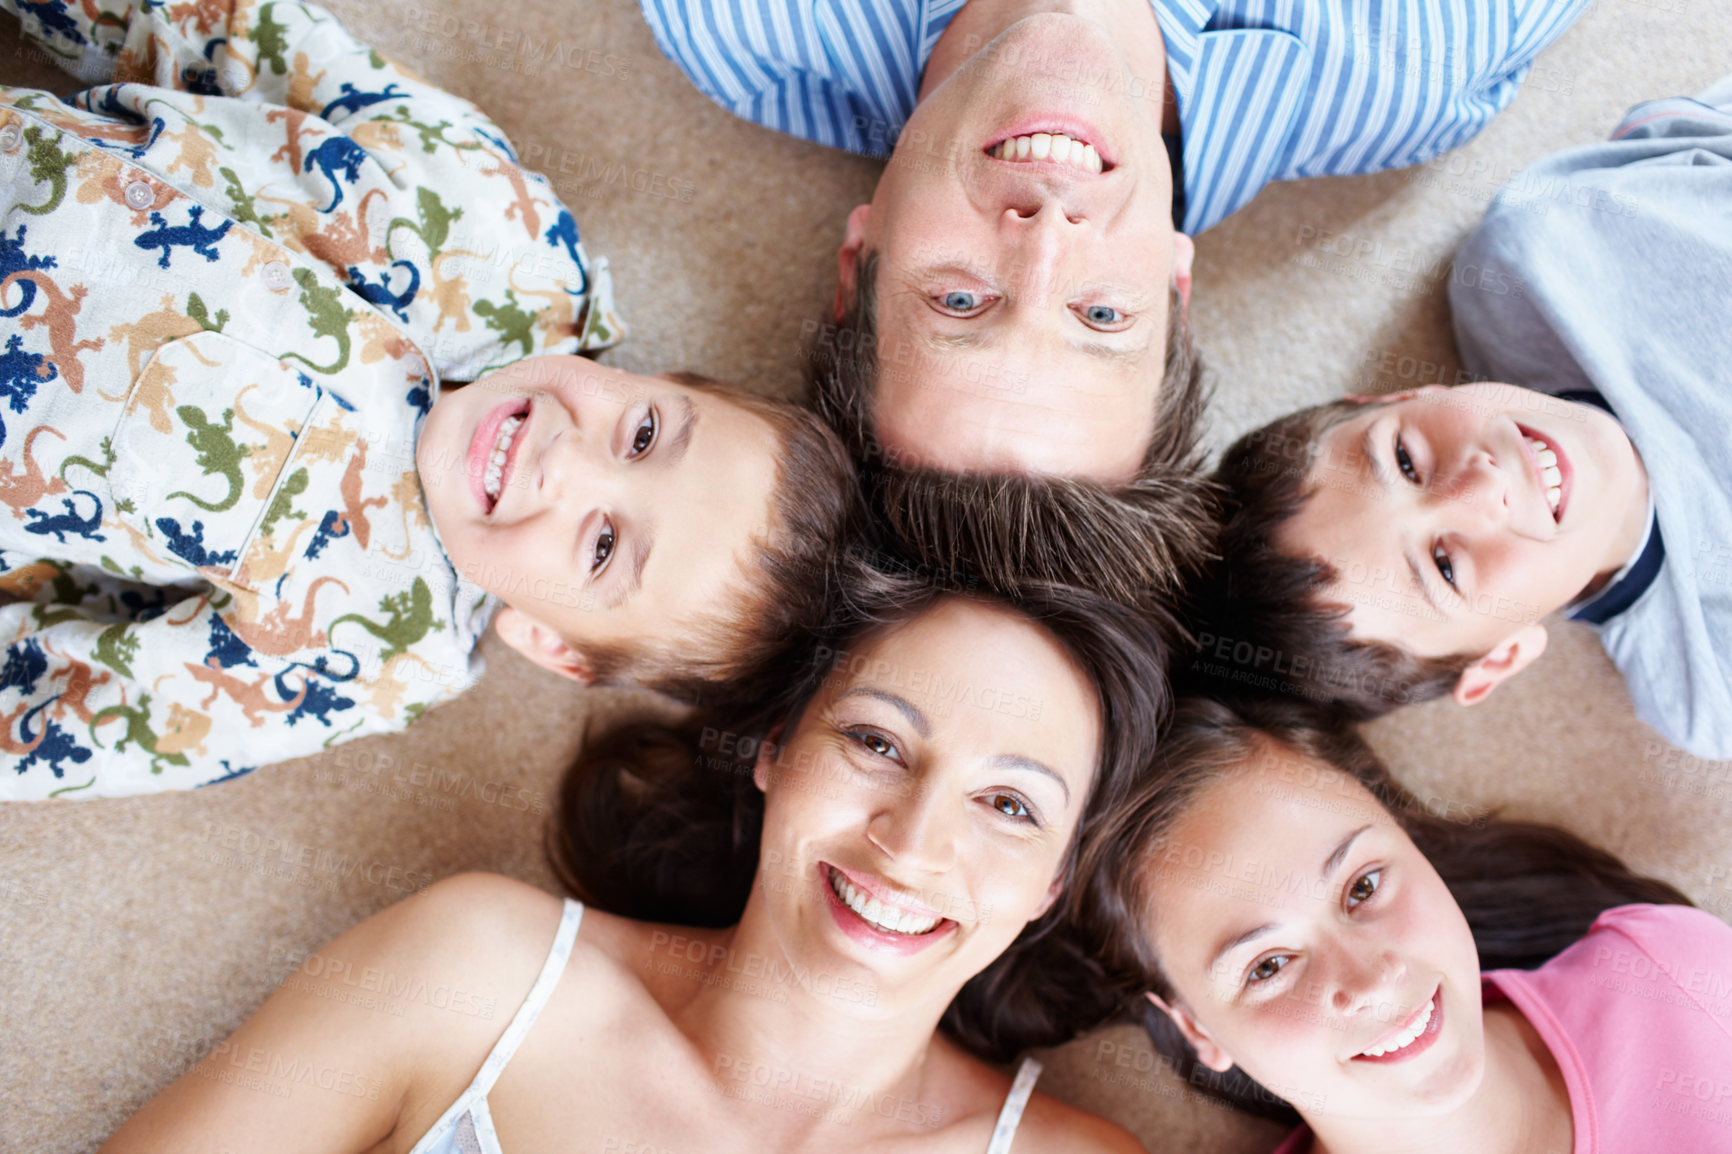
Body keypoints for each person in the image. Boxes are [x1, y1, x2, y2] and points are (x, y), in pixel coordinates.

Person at [0, 0, 858, 797]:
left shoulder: (373, 647)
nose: (566, 462)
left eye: (602, 546)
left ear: (550, 644)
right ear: (658, 381)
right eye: (641, 434)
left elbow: (84, 711)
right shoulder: (510, 236)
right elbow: (226, 35)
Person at [98, 579, 1174, 1152]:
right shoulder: (474, 970)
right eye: (877, 742)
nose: (911, 839)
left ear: (1050, 883)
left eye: (1008, 803)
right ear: (775, 747)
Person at [639, 0, 1590, 602]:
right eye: (1101, 317)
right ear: (1176, 284)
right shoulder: (1412, 67)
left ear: (861, 265)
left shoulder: (737, 24)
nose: (1050, 233)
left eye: (963, 300)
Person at [1190, 75, 1732, 756]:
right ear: (1500, 657)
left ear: (1395, 398)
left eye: (1405, 460)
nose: (1478, 487)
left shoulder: (1538, 260)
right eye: (1446, 567)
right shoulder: (1707, 680)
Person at [1074, 696, 1727, 1153]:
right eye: (1267, 966)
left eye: (1362, 887)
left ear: (1409, 841)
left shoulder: (1675, 974)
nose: (1371, 978)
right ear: (1196, 1029)